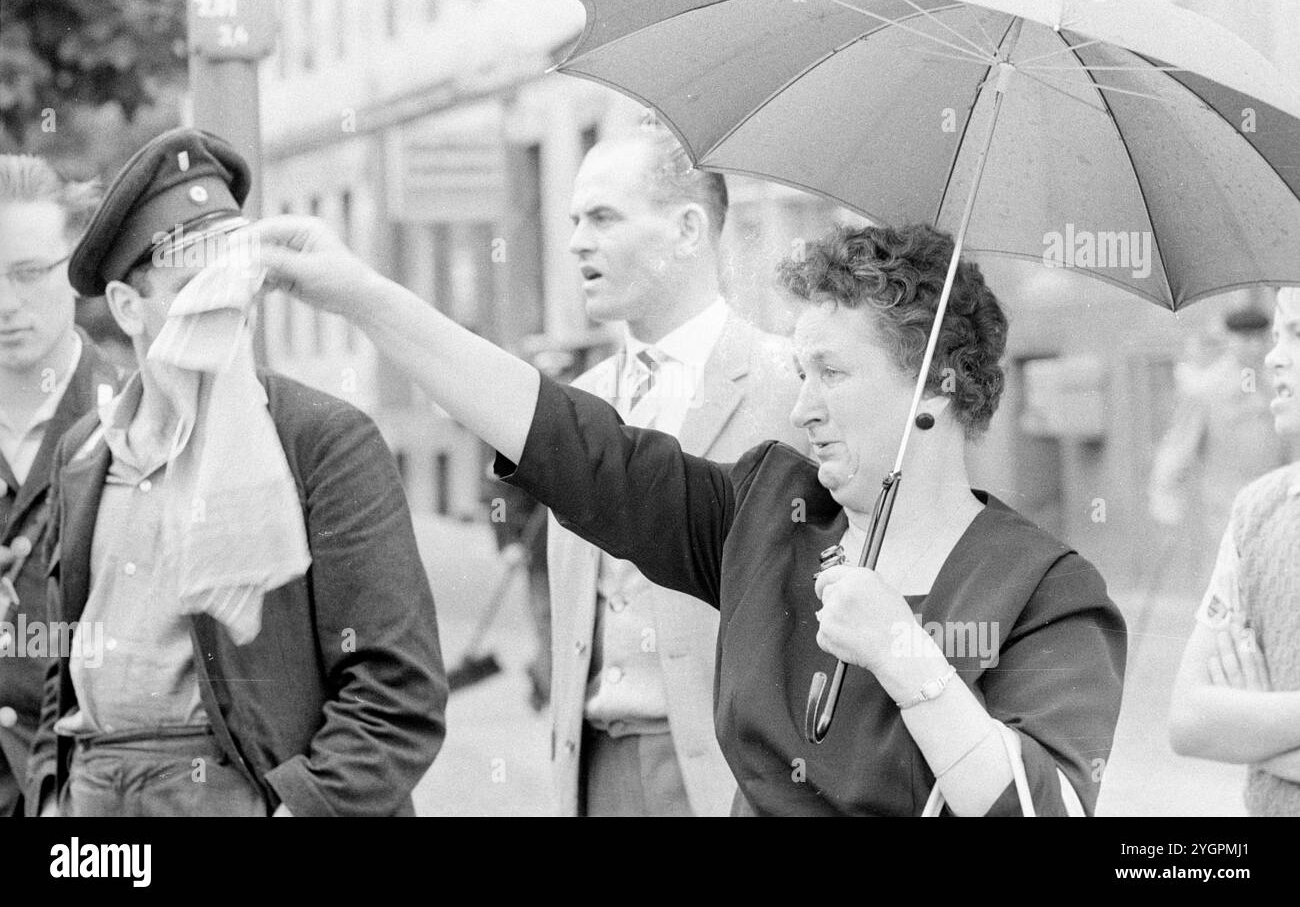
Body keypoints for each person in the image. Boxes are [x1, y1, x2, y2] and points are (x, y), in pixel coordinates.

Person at [255, 215, 1127, 816]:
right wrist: (361, 295)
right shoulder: (772, 514)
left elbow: (1041, 805)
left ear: (935, 387)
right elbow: (566, 440)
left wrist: (905, 655)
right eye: (800, 373)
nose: (802, 407)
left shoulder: (1045, 592)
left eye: (832, 374)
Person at [25, 128, 447, 817]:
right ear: (129, 308)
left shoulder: (322, 442)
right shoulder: (83, 453)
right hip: (97, 800)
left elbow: (397, 692)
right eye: (196, 288)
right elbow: (61, 671)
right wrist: (53, 797)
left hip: (238, 791)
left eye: (236, 282)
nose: (228, 306)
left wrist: (298, 810)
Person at [538, 128, 804, 816]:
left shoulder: (793, 390)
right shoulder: (572, 407)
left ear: (687, 229)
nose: (576, 242)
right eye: (573, 221)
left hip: (727, 786)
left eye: (603, 217)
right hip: (591, 778)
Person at [0, 155, 122, 817]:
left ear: (77, 267)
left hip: (91, 807)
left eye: (26, 273)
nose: (4, 305)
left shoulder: (143, 421)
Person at [1169, 287, 1300, 816]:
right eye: (1269, 335)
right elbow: (1192, 721)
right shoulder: (1209, 388)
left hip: (1278, 511)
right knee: (1235, 653)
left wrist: (1260, 730)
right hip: (1234, 523)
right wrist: (1167, 498)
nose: (1266, 352)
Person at [1148, 305, 1288, 590]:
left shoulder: (1280, 385)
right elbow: (1177, 449)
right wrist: (1167, 507)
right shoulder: (1206, 388)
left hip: (1278, 509)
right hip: (1225, 511)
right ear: (1230, 339)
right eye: (1246, 338)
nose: (1255, 346)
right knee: (1229, 591)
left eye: (1261, 338)